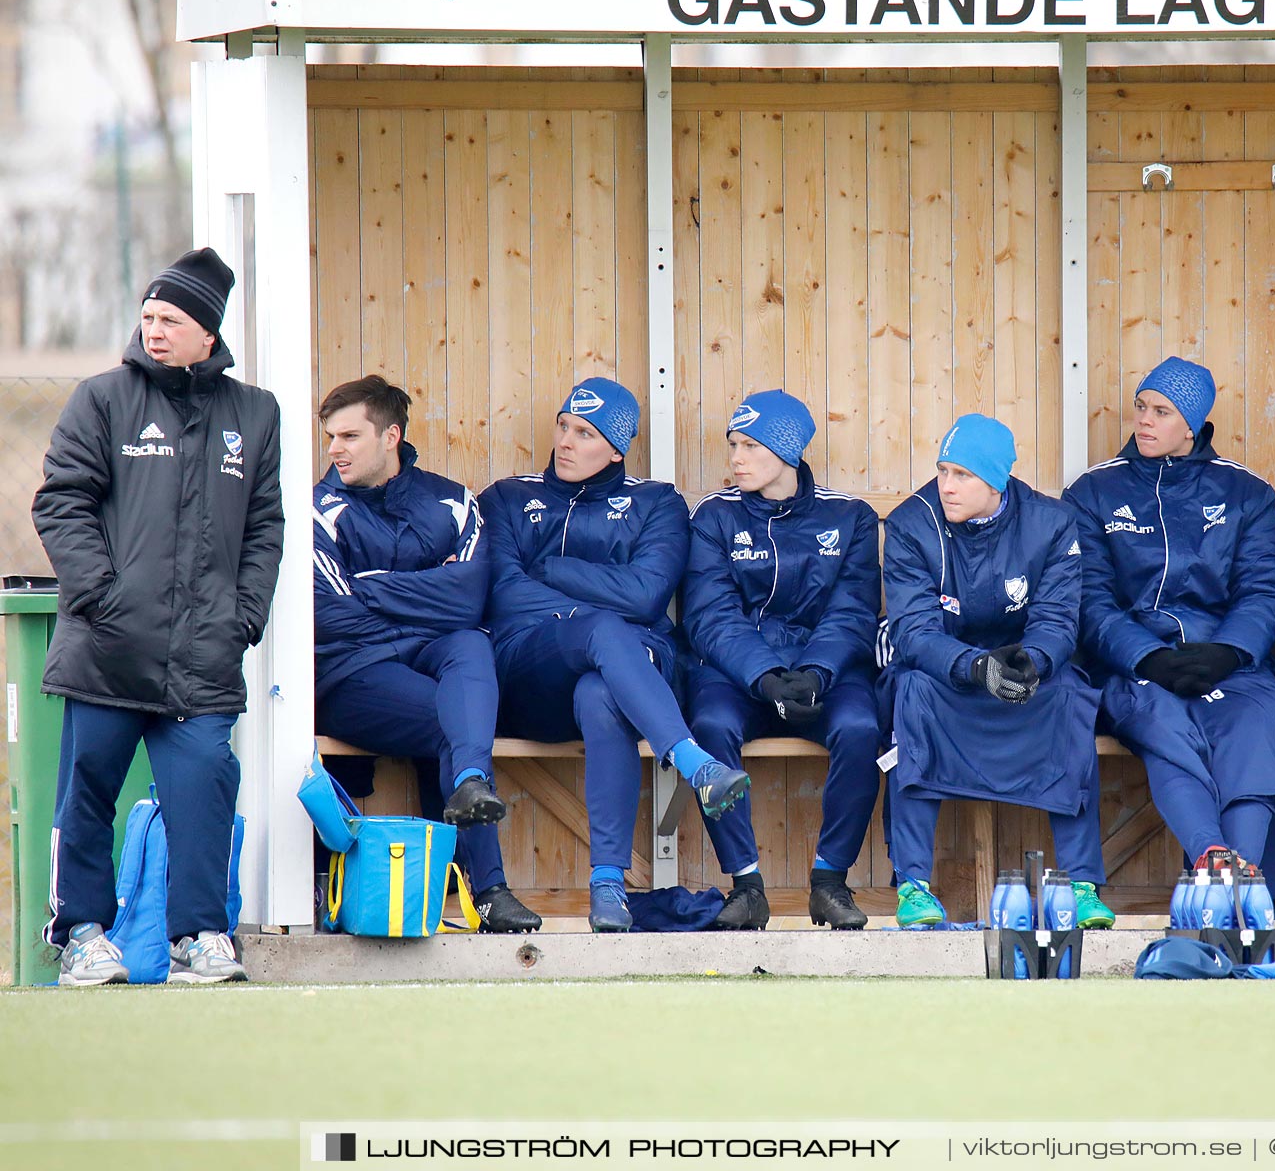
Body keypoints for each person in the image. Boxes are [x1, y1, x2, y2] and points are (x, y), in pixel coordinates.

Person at [32, 248, 280, 985]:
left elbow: (266, 525)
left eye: (170, 318)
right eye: (147, 316)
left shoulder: (255, 412)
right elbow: (60, 502)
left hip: (206, 655)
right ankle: (79, 931)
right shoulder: (102, 398)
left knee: (203, 788)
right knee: (87, 795)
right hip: (108, 648)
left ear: (209, 331)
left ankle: (199, 936)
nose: (154, 330)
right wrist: (101, 596)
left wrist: (243, 616)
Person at [481, 377, 745, 933]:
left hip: (630, 672)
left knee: (600, 690)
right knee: (602, 627)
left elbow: (648, 594)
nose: (566, 442)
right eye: (563, 426)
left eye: (585, 433)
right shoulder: (506, 497)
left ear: (617, 448)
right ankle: (695, 765)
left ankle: (607, 887)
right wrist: (597, 599)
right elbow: (505, 593)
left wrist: (550, 570)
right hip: (530, 669)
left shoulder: (657, 503)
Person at [310, 375, 542, 934]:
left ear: (391, 436)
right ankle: (487, 890)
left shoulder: (452, 501)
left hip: (430, 649)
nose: (334, 449)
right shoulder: (319, 509)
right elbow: (328, 613)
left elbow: (467, 601)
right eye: (330, 438)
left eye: (349, 436)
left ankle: (468, 781)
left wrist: (370, 585)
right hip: (351, 671)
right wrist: (424, 593)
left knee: (470, 641)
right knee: (453, 720)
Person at [1063, 356, 1275, 897]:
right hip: (1136, 666)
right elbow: (1089, 599)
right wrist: (1149, 657)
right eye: (1141, 407)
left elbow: (1263, 590)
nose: (1144, 420)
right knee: (1165, 729)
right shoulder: (1094, 492)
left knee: (1253, 726)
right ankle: (1211, 857)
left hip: (1229, 663)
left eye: (1161, 412)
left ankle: (1243, 881)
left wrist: (1229, 653)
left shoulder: (1244, 493)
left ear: (1190, 425)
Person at [881, 414, 1113, 929]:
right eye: (942, 471)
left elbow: (1058, 619)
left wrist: (1032, 661)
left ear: (996, 480)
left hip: (1020, 666)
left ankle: (1081, 884)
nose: (946, 486)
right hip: (945, 669)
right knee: (910, 693)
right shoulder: (911, 523)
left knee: (1072, 695)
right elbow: (913, 632)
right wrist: (974, 666)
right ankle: (913, 885)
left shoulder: (1050, 523)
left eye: (962, 475)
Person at [683, 391, 883, 930]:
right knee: (710, 726)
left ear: (787, 451)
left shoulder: (851, 517)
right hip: (737, 673)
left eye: (750, 445)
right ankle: (746, 885)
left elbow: (854, 611)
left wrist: (817, 671)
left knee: (862, 728)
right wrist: (763, 675)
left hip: (827, 672)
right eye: (732, 445)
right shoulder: (714, 517)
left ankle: (829, 882)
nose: (736, 459)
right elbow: (709, 614)